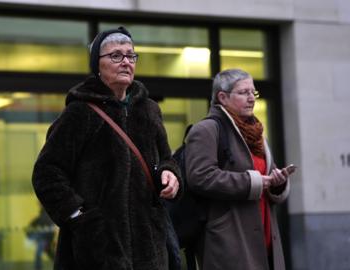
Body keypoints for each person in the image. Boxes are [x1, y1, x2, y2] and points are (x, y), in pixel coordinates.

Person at [32, 26, 182, 270]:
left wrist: (171, 174)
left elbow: (167, 158)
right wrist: (80, 218)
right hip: (96, 253)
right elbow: (46, 173)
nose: (125, 62)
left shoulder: (149, 110)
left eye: (130, 55)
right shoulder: (79, 113)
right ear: (97, 65)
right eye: (116, 56)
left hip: (150, 249)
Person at [185, 68, 290, 270]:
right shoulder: (206, 129)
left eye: (254, 92)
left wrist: (278, 183)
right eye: (244, 93)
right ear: (222, 97)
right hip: (230, 244)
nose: (251, 98)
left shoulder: (257, 134)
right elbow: (200, 176)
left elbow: (266, 176)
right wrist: (252, 182)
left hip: (266, 242)